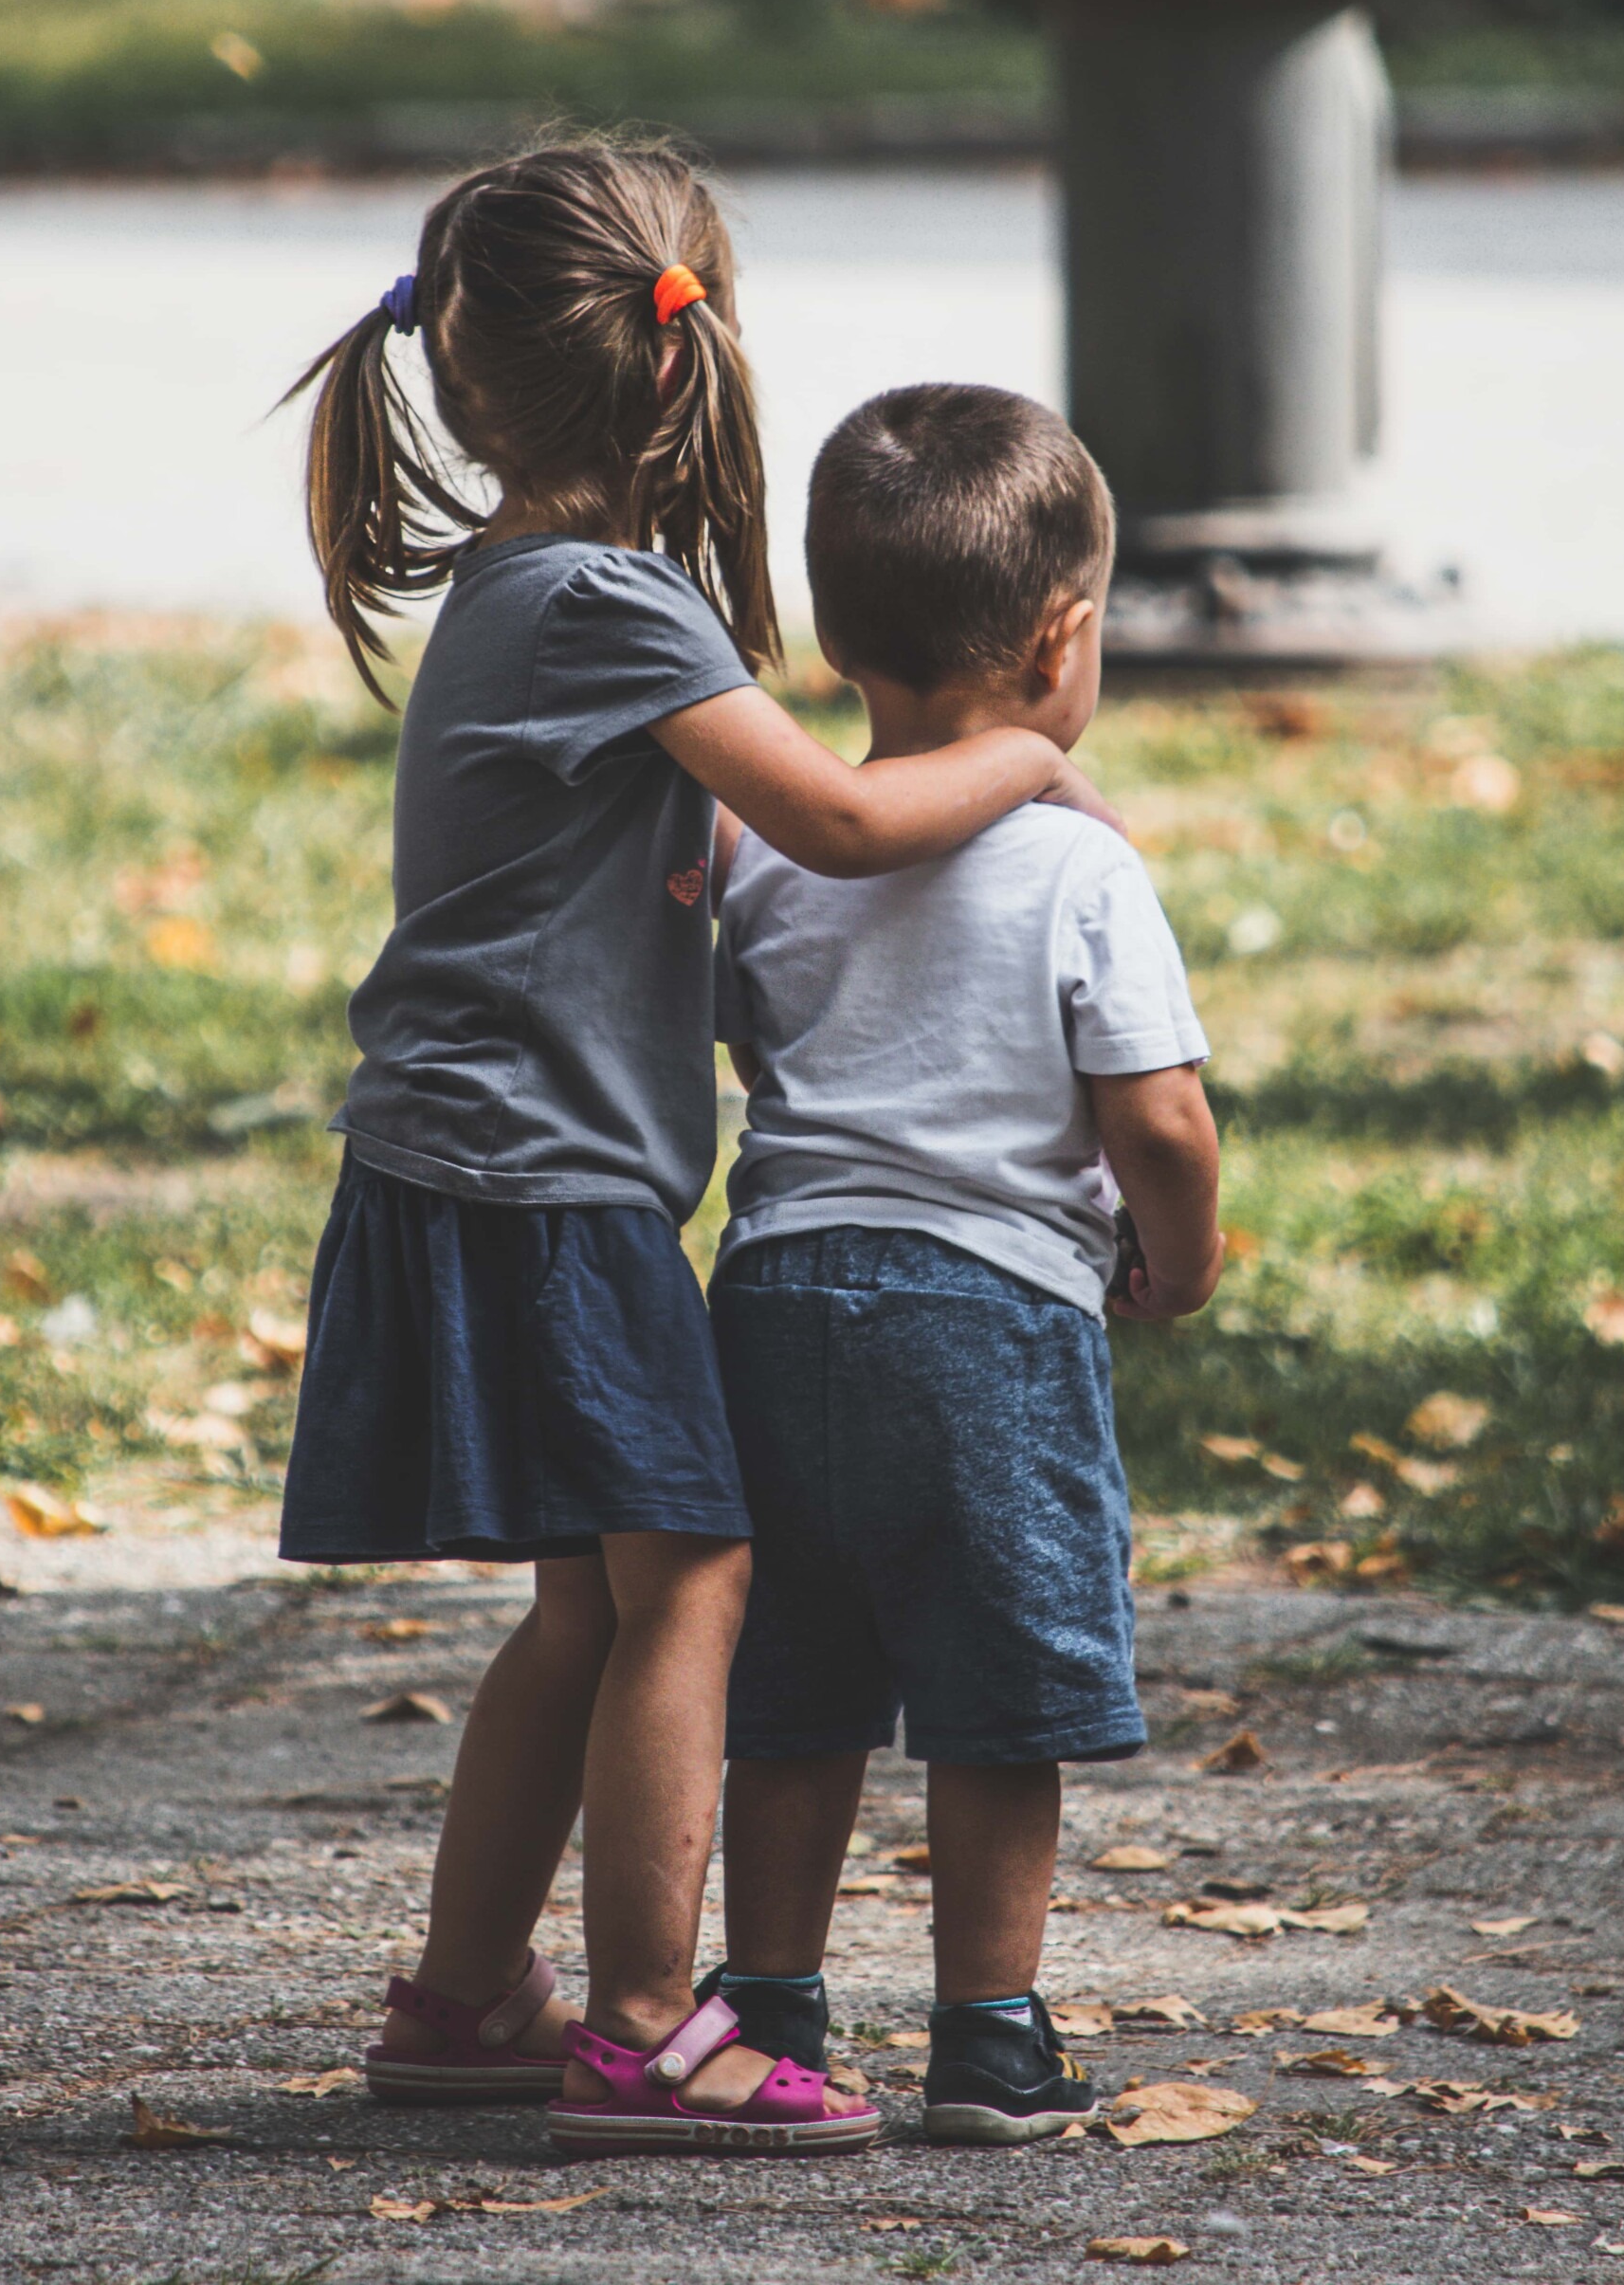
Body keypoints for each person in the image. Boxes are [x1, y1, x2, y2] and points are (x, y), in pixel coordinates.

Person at [273, 146, 1117, 2160]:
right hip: (544, 1172)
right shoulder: (614, 606)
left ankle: (469, 1994)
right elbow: (836, 820)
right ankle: (655, 2020)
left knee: (588, 1601)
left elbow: (701, 850)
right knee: (697, 1575)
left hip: (461, 1151)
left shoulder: (524, 588)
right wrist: (1032, 756)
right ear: (681, 362)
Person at [705, 383, 1223, 2146]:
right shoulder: (1082, 866)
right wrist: (1186, 1264)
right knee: (998, 1692)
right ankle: (988, 2034)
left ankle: (765, 2003)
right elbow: (1157, 1120)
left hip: (774, 1301)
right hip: (989, 1321)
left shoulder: (776, 854)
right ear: (1064, 638)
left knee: (792, 1682)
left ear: (837, 636)